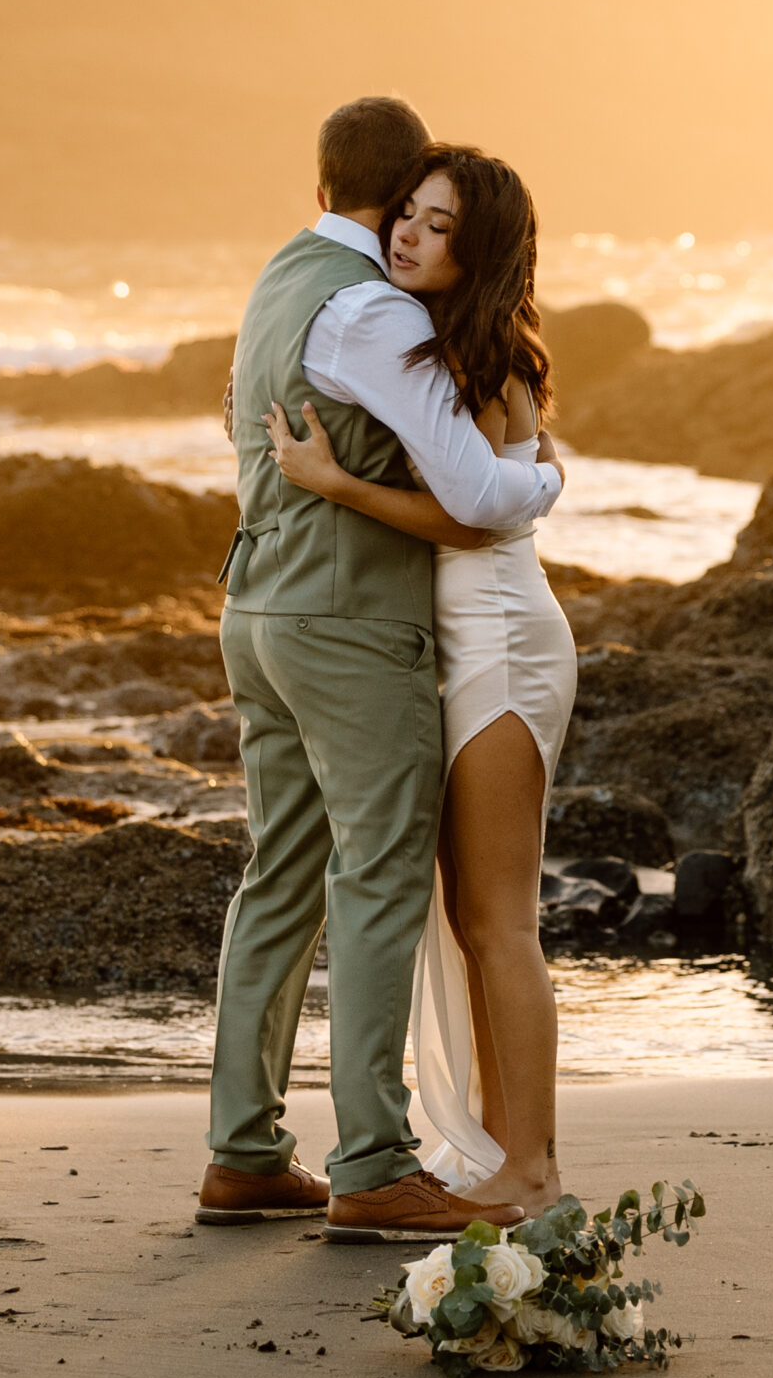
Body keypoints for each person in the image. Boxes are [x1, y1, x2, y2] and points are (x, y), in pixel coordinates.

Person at [198, 97, 565, 1242]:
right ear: (391, 190)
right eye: (409, 210)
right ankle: (368, 1161)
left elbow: (235, 417)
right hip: (347, 623)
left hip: (257, 602)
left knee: (281, 876)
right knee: (377, 880)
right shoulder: (370, 311)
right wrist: (545, 479)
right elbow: (477, 494)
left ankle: (246, 1152)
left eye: (437, 221)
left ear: (318, 184)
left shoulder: (281, 279)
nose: (413, 234)